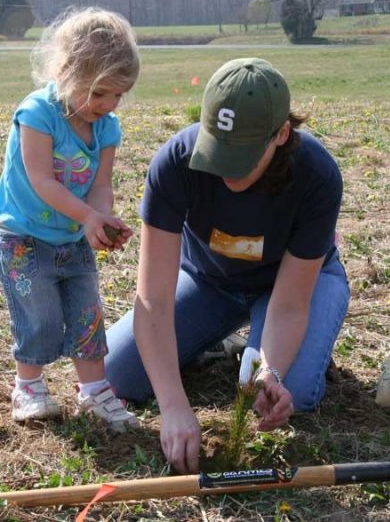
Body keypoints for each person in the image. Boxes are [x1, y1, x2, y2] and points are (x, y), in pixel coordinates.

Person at [105, 58, 350, 470]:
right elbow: (154, 300)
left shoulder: (316, 175)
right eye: (219, 152)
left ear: (282, 134)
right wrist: (174, 406)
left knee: (290, 391)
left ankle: (273, 344)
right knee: (119, 373)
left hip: (288, 289)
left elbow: (289, 305)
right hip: (209, 281)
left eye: (242, 158)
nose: (226, 172)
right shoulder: (174, 163)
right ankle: (226, 340)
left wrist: (270, 370)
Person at [0, 7, 140, 432]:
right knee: (37, 316)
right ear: (69, 73)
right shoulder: (37, 114)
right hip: (25, 238)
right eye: (99, 93)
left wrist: (102, 217)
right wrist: (88, 215)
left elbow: (100, 184)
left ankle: (95, 392)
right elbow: (41, 180)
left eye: (118, 95)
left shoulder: (107, 128)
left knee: (86, 313)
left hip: (72, 237)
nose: (108, 105)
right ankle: (29, 388)